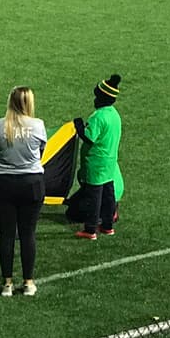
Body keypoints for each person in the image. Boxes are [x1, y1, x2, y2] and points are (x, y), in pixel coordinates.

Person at [0, 86, 47, 297]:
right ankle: (28, 282)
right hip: (32, 183)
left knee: (6, 234)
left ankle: (7, 284)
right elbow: (40, 152)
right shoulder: (38, 125)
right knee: (28, 233)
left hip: (3, 183)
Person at [73, 75, 123, 240]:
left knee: (93, 197)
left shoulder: (98, 117)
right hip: (110, 162)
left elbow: (89, 137)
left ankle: (90, 229)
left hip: (96, 163)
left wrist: (79, 126)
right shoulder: (115, 115)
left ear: (102, 98)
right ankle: (108, 226)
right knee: (108, 195)